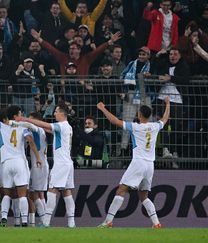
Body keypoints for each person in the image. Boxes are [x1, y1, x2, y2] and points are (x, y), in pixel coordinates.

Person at [97, 96, 170, 228]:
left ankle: (108, 221)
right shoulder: (155, 126)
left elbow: (114, 121)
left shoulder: (135, 127)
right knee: (144, 196)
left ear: (139, 114)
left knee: (121, 190)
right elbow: (165, 119)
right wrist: (168, 103)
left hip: (138, 163)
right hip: (150, 165)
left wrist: (103, 109)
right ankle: (157, 223)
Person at [0, 106, 43, 227]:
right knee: (22, 195)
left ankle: (4, 217)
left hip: (6, 163)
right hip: (19, 162)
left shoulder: (1, 125)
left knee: (7, 194)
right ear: (16, 115)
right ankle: (25, 221)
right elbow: (30, 141)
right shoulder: (22, 126)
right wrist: (37, 157)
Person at [16, 102, 75, 228]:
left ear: (62, 113)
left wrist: (25, 119)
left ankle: (46, 222)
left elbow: (45, 125)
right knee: (66, 192)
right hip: (68, 162)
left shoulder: (61, 125)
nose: (54, 113)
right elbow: (46, 128)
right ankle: (71, 222)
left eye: (56, 111)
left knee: (52, 190)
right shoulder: (68, 127)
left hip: (61, 163)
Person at [30, 29, 122, 75]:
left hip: (82, 91)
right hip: (66, 90)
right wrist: (39, 39)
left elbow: (98, 50)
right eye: (70, 48)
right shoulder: (63, 57)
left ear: (79, 50)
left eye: (73, 48)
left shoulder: (86, 58)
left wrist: (110, 41)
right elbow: (51, 49)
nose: (71, 50)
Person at [14, 112, 49, 226]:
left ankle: (44, 221)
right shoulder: (39, 131)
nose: (28, 121)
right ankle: (41, 221)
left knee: (34, 193)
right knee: (39, 194)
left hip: (38, 165)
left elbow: (30, 125)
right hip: (42, 164)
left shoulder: (38, 129)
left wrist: (18, 121)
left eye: (30, 119)